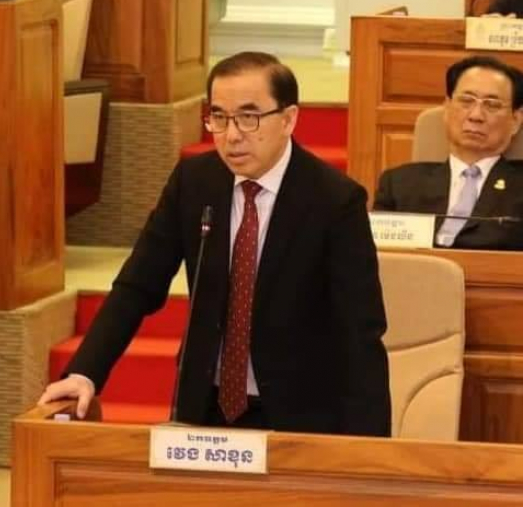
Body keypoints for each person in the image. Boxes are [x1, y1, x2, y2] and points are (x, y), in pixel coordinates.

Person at [40, 51, 391, 437]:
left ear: (288, 119)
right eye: (219, 117)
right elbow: (136, 286)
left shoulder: (334, 200)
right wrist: (85, 372)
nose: (232, 135)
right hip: (205, 407)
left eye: (249, 117)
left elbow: (360, 332)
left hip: (298, 416)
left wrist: (369, 448)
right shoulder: (194, 182)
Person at [374, 55, 523, 249]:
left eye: (492, 105)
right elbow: (380, 255)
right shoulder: (399, 184)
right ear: (447, 108)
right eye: (466, 101)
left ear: (515, 120)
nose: (476, 115)